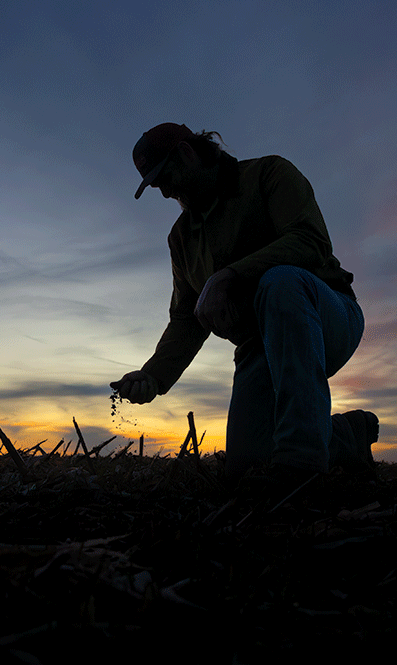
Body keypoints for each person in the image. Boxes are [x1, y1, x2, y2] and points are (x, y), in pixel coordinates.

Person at [110, 122, 379, 488]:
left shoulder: (269, 174)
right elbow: (188, 319)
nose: (166, 192)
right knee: (247, 465)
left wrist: (230, 275)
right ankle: (348, 434)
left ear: (187, 153)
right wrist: (153, 375)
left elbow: (311, 241)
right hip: (259, 347)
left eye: (167, 178)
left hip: (327, 316)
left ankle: (300, 471)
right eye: (157, 186)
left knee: (280, 282)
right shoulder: (181, 239)